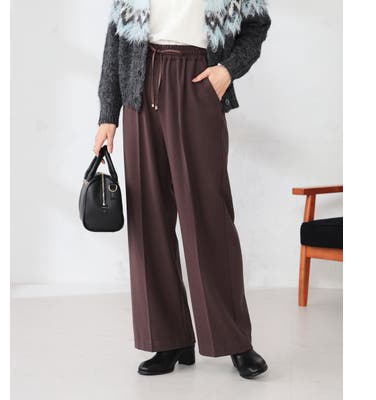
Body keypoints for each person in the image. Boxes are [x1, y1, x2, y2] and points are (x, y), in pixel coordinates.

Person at [93, 0, 271, 379]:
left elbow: (256, 25)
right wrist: (108, 114)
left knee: (208, 216)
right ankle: (169, 339)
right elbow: (116, 37)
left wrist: (227, 71)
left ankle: (235, 340)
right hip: (139, 86)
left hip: (197, 81)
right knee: (148, 218)